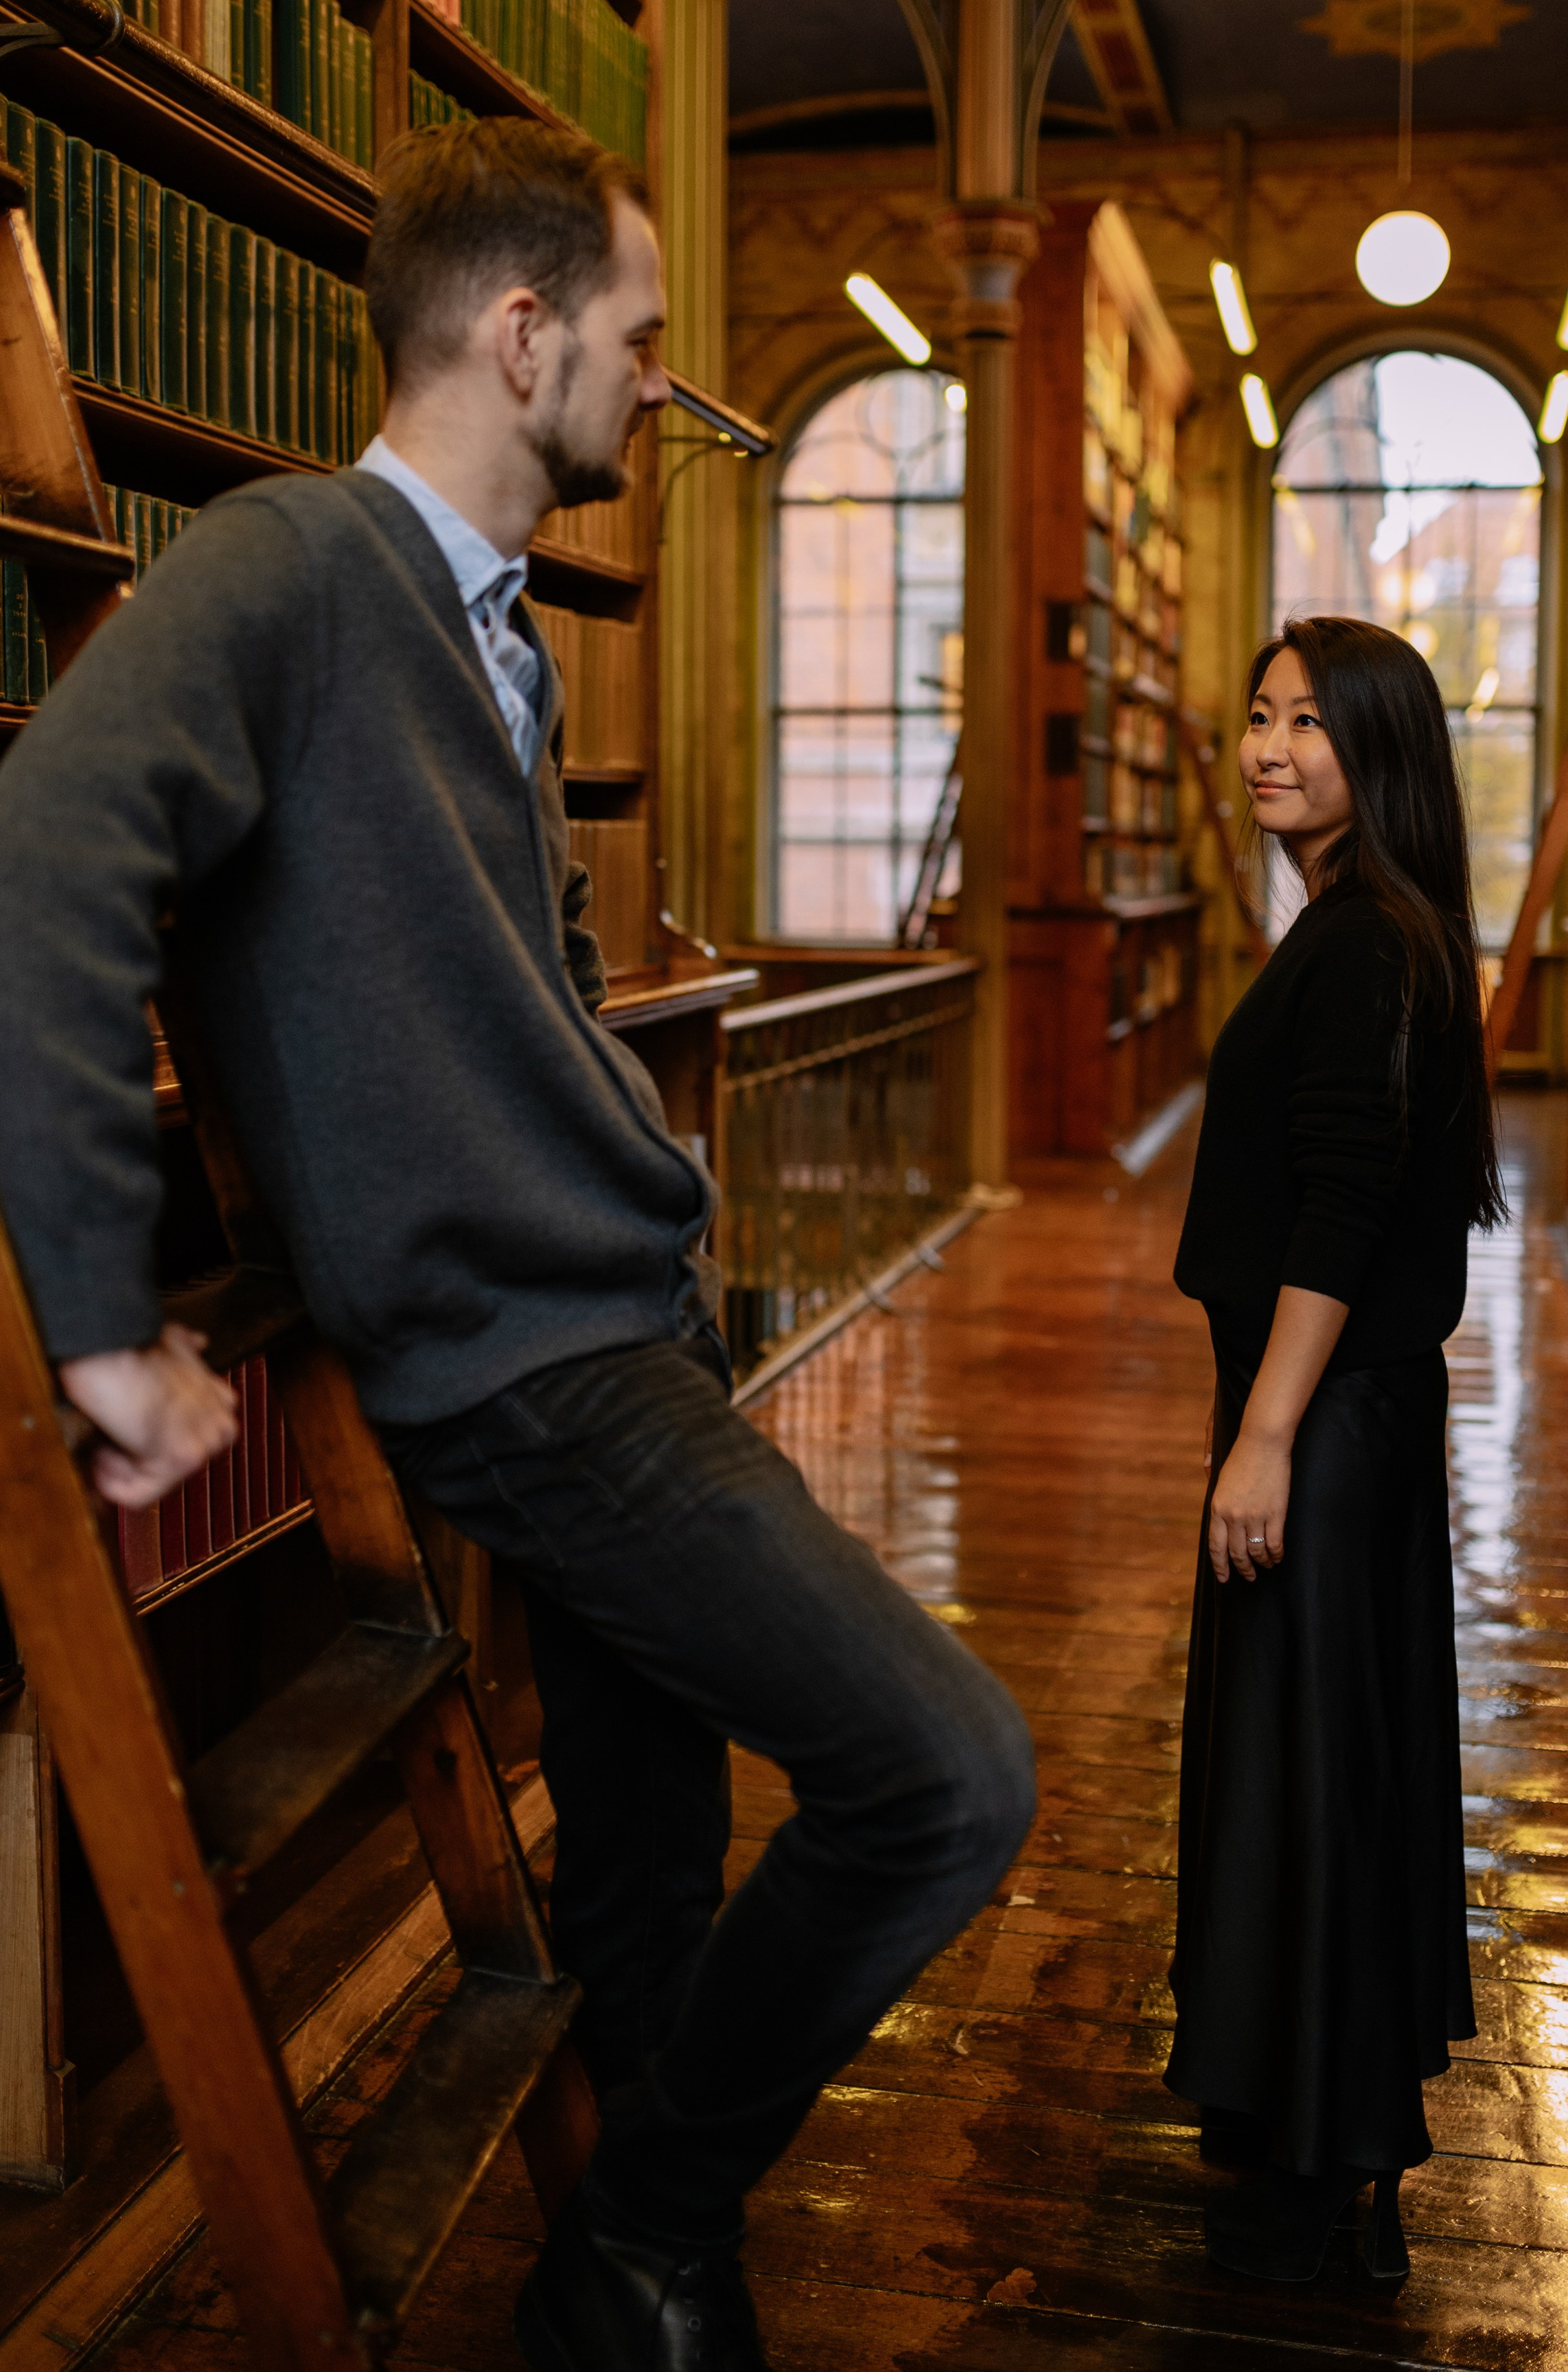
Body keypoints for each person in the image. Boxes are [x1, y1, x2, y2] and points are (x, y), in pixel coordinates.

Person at [0, 119, 1035, 2372]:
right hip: (531, 1366)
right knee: (948, 1772)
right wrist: (93, 1317)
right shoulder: (295, 564)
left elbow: (538, 988)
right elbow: (47, 848)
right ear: (522, 328)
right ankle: (646, 2238)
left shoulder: (503, 642)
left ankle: (642, 2294)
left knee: (650, 1860)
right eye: (642, 340)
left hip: (625, 1314)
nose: (663, 383)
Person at [1164, 614, 1497, 2283]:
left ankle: (1326, 2155)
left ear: (1380, 748)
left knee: (1312, 1777)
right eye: (1256, 713)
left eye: (1307, 720)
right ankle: (1302, 2121)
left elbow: (1343, 1206)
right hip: (1340, 1411)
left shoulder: (1367, 937)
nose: (1266, 746)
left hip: (1326, 1414)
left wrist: (1265, 1435)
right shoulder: (1364, 921)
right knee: (1318, 1768)